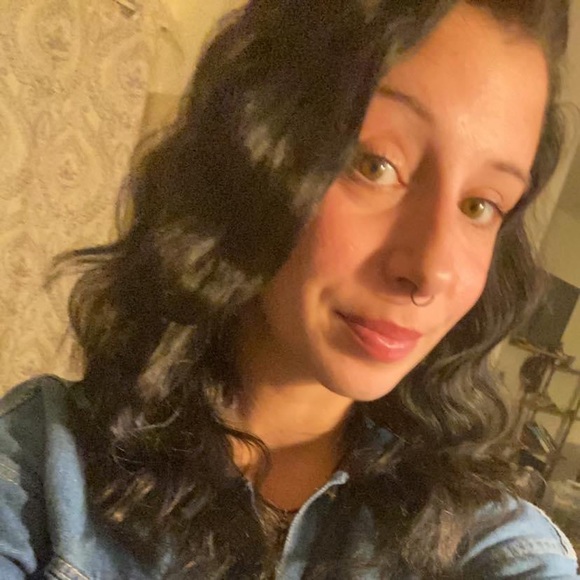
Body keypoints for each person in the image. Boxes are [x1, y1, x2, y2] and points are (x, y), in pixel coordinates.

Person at [0, 0, 577, 578]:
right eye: (375, 165)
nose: (431, 270)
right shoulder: (38, 472)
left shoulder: (493, 548)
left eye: (481, 205)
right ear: (252, 151)